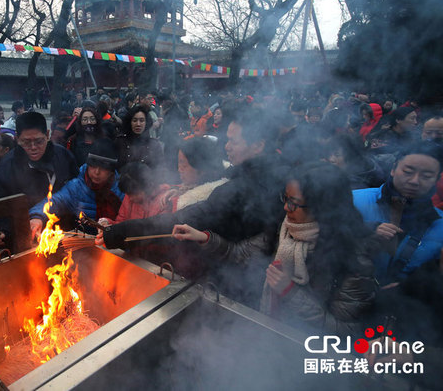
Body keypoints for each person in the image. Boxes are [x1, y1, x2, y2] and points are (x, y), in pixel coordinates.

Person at [173, 163, 377, 327]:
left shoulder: (354, 258)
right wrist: (204, 238)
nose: (286, 208)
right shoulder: (285, 229)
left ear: (323, 207)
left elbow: (347, 330)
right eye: (285, 198)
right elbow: (239, 253)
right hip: (268, 330)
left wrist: (290, 292)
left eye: (295, 203)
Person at [100, 108, 289, 278]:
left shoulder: (243, 188)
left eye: (233, 141)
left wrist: (120, 232)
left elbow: (179, 222)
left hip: (229, 279)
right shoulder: (269, 172)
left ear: (258, 146)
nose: (226, 146)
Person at [352, 142, 443, 285]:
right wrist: (365, 233)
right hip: (348, 296)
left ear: (436, 180)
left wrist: (409, 288)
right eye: (408, 172)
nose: (414, 181)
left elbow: (436, 277)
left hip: (400, 304)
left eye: (426, 176)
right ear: (393, 169)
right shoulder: (353, 201)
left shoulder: (440, 225)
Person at [0, 112, 78, 248]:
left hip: (63, 232)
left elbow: (75, 189)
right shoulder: (7, 166)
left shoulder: (63, 156)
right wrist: (1, 229)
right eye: (26, 142)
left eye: (38, 141)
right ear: (17, 139)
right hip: (27, 237)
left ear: (47, 135)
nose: (33, 147)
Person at [29, 139, 124, 237]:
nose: (97, 172)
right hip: (85, 239)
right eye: (93, 166)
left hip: (114, 240)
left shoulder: (122, 189)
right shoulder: (77, 187)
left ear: (111, 171)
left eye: (103, 168)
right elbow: (56, 200)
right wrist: (37, 216)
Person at [115, 105, 164, 172]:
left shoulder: (154, 145)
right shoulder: (120, 142)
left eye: (142, 120)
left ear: (146, 122)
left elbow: (161, 170)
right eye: (134, 120)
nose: (138, 124)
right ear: (130, 122)